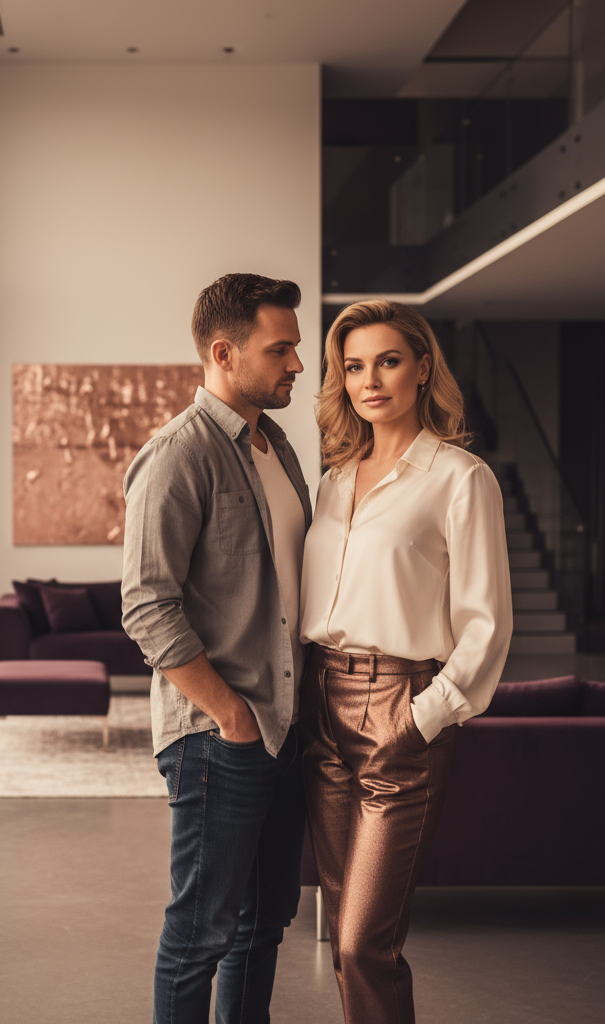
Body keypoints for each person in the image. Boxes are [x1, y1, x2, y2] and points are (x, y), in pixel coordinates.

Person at [299, 300, 513, 1024]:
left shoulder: (460, 478)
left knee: (365, 944)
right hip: (322, 709)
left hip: (401, 708)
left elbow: (487, 622)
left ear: (423, 368)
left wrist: (425, 716)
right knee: (342, 941)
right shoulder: (332, 479)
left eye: (388, 361)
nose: (370, 380)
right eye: (354, 366)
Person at [122, 273, 312, 1024]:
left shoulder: (278, 448)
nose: (296, 364)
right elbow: (147, 605)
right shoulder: (177, 455)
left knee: (263, 928)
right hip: (220, 739)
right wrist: (230, 713)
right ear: (225, 353)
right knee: (201, 934)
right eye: (281, 349)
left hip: (288, 728)